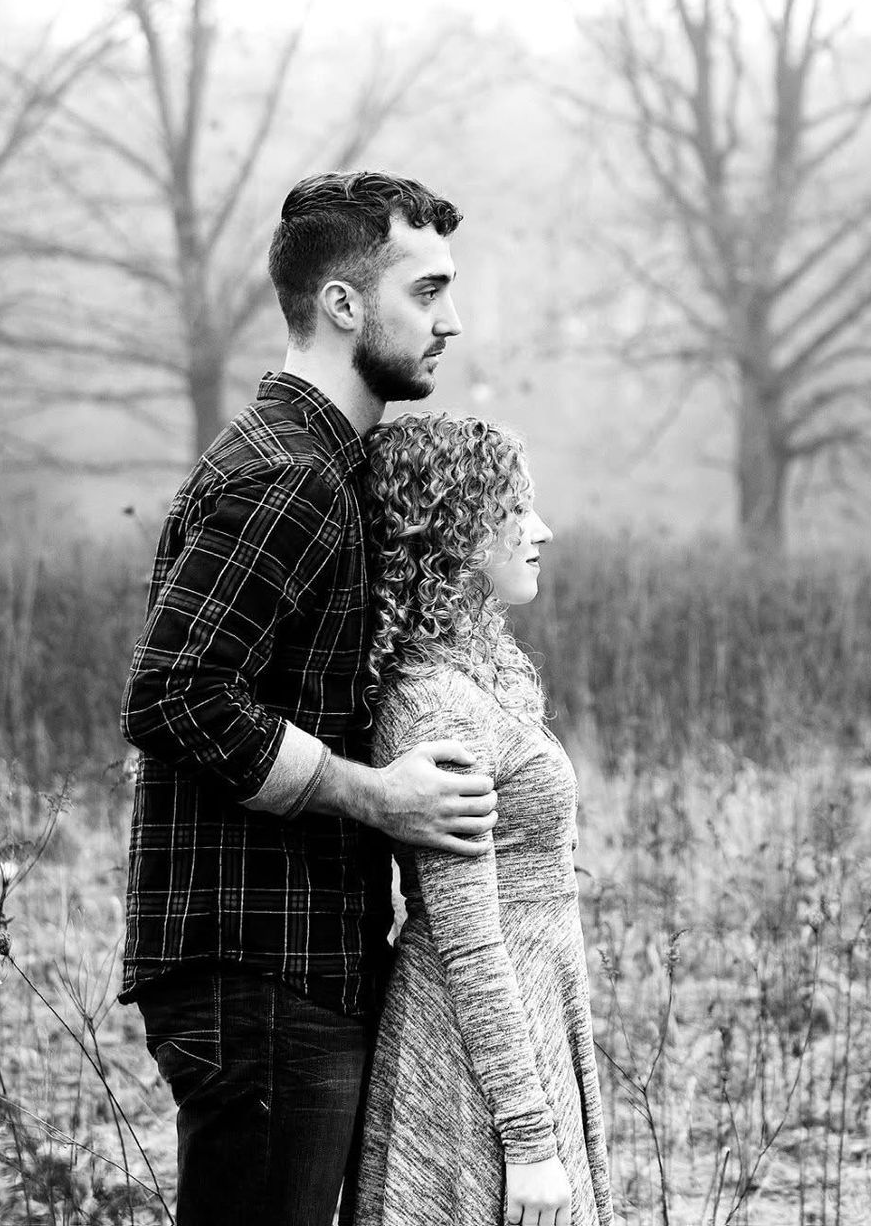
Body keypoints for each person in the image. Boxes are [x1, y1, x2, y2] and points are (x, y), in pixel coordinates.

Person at [119, 171, 500, 1226]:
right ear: (342, 305)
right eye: (425, 292)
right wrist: (376, 795)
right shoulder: (291, 475)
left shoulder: (312, 462)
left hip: (282, 967)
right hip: (259, 970)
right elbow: (175, 691)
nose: (451, 321)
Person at [352, 414, 614, 1226]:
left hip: (525, 1034)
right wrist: (530, 1142)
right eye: (515, 510)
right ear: (456, 530)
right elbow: (468, 937)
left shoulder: (477, 676)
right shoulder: (437, 705)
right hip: (473, 1068)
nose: (542, 530)